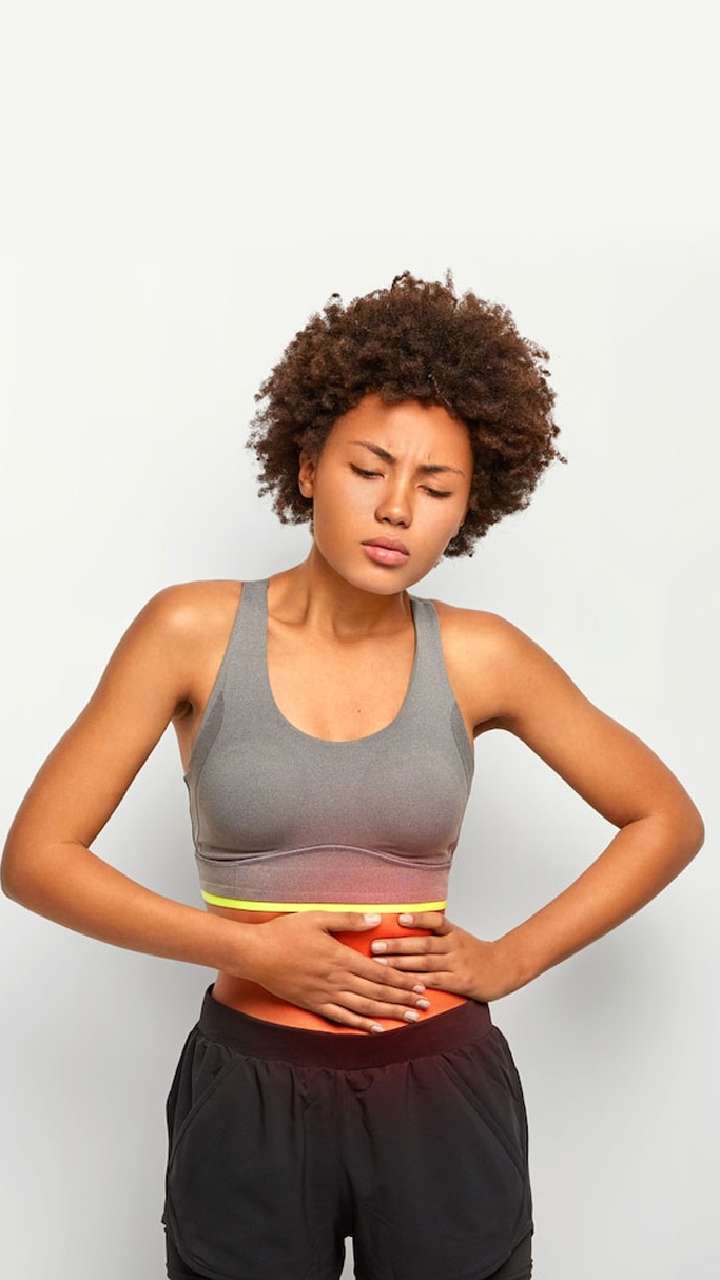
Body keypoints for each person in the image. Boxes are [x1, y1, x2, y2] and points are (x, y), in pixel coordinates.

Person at [1, 269, 704, 1280]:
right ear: (306, 465)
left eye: (437, 488)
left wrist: (511, 959)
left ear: (468, 509)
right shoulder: (190, 630)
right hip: (250, 1088)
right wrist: (249, 948)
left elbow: (664, 817)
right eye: (369, 468)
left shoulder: (483, 654)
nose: (397, 508)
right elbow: (36, 858)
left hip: (440, 1089)